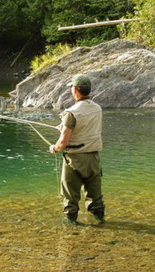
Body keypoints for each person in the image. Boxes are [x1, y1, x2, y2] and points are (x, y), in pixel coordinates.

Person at [49, 74, 105, 225]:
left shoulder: (71, 113)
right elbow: (85, 127)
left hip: (74, 160)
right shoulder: (97, 109)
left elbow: (63, 142)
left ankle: (71, 224)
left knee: (70, 197)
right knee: (95, 196)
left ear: (75, 90)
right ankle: (100, 220)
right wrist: (64, 127)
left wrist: (54, 148)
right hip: (93, 159)